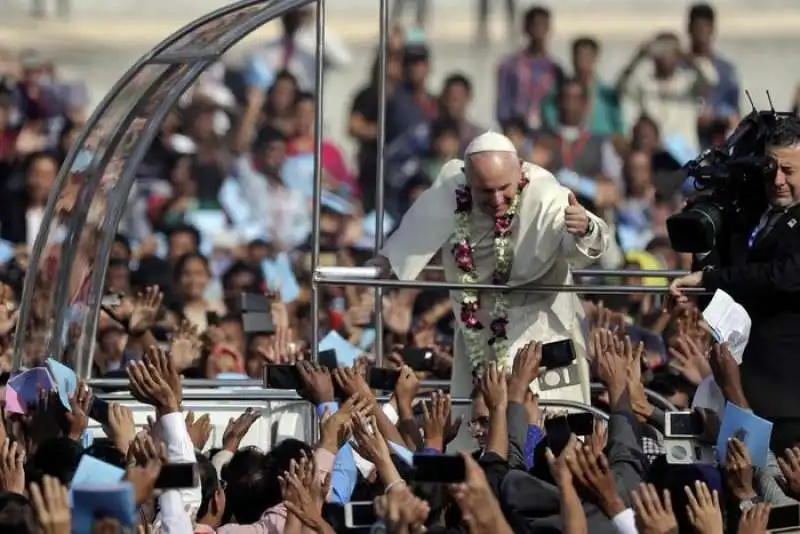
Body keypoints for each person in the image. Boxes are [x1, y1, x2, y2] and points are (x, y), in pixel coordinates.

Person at [368, 131, 611, 409]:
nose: (496, 200)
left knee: (550, 421)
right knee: (478, 425)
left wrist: (585, 228)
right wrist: (385, 262)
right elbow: (415, 231)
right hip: (479, 329)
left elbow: (581, 243)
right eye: (485, 191)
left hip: (542, 326)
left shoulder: (546, 194)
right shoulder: (453, 184)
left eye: (504, 189)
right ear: (468, 181)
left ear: (519, 172)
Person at [669, 115, 800, 452]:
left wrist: (710, 278)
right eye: (771, 169)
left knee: (775, 497)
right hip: (742, 387)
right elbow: (736, 276)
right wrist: (701, 274)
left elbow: (780, 277)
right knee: (742, 487)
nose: (779, 181)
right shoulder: (758, 213)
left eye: (790, 171)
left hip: (789, 403)